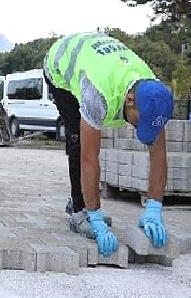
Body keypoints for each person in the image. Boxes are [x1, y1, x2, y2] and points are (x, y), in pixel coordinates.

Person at [43, 32, 174, 256]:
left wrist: (154, 207)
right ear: (130, 100)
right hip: (59, 64)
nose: (137, 127)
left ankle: (83, 199)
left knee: (86, 139)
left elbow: (159, 154)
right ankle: (79, 211)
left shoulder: (153, 96)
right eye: (138, 122)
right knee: (78, 138)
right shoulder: (99, 95)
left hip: (98, 59)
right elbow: (89, 159)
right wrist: (96, 217)